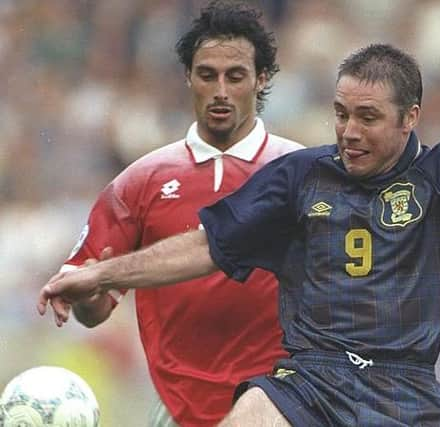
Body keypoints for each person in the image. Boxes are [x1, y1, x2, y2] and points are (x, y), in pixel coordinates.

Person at [39, 43, 440, 426]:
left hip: (404, 392)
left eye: (368, 117)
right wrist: (101, 272)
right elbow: (206, 246)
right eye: (341, 114)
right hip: (308, 380)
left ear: (410, 117)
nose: (349, 132)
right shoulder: (300, 176)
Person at [47, 2, 303, 426]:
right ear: (188, 78)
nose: (220, 90)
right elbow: (93, 308)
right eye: (207, 75)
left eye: (235, 76)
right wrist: (87, 295)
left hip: (279, 402)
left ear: (261, 80)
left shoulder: (301, 172)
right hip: (177, 408)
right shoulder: (140, 182)